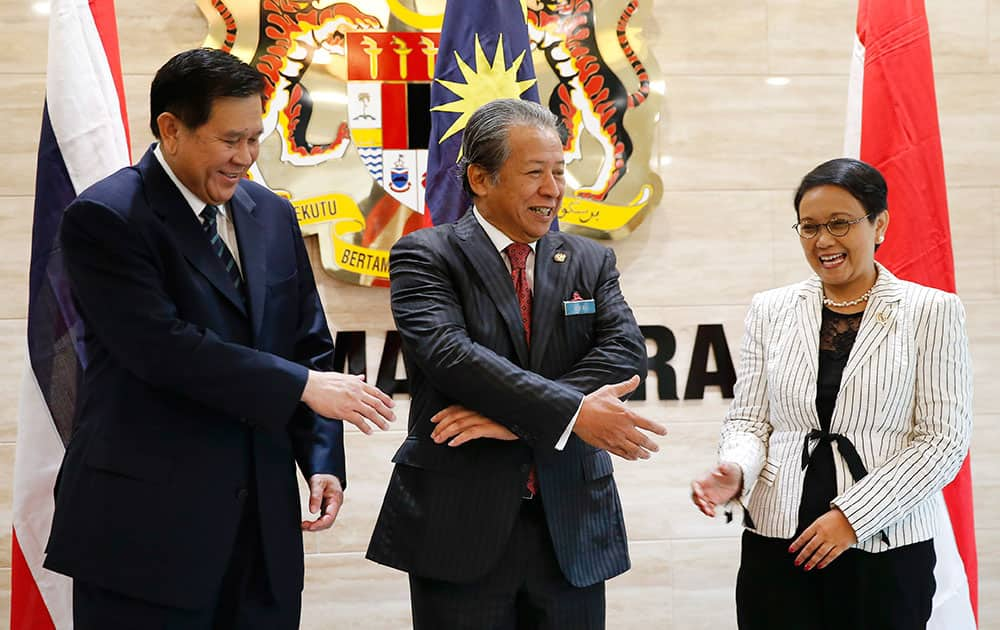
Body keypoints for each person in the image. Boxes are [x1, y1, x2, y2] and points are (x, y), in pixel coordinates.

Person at [43, 48, 396, 629]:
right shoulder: (106, 217)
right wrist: (306, 387)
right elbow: (162, 348)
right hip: (145, 534)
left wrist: (322, 457)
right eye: (230, 139)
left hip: (261, 535)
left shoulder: (271, 213)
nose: (246, 158)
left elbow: (306, 341)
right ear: (171, 129)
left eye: (256, 138)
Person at [366, 98, 667, 629]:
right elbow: (450, 356)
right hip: (460, 526)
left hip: (570, 525)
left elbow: (623, 354)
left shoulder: (589, 259)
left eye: (559, 171)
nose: (553, 189)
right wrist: (569, 411)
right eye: (535, 173)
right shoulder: (426, 254)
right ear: (480, 178)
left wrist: (514, 421)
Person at [690, 157, 973, 629]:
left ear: (879, 223)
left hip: (885, 545)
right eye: (809, 227)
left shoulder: (932, 311)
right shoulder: (771, 309)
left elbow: (942, 440)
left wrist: (852, 518)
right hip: (778, 543)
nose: (823, 241)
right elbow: (750, 420)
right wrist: (737, 469)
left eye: (840, 224)